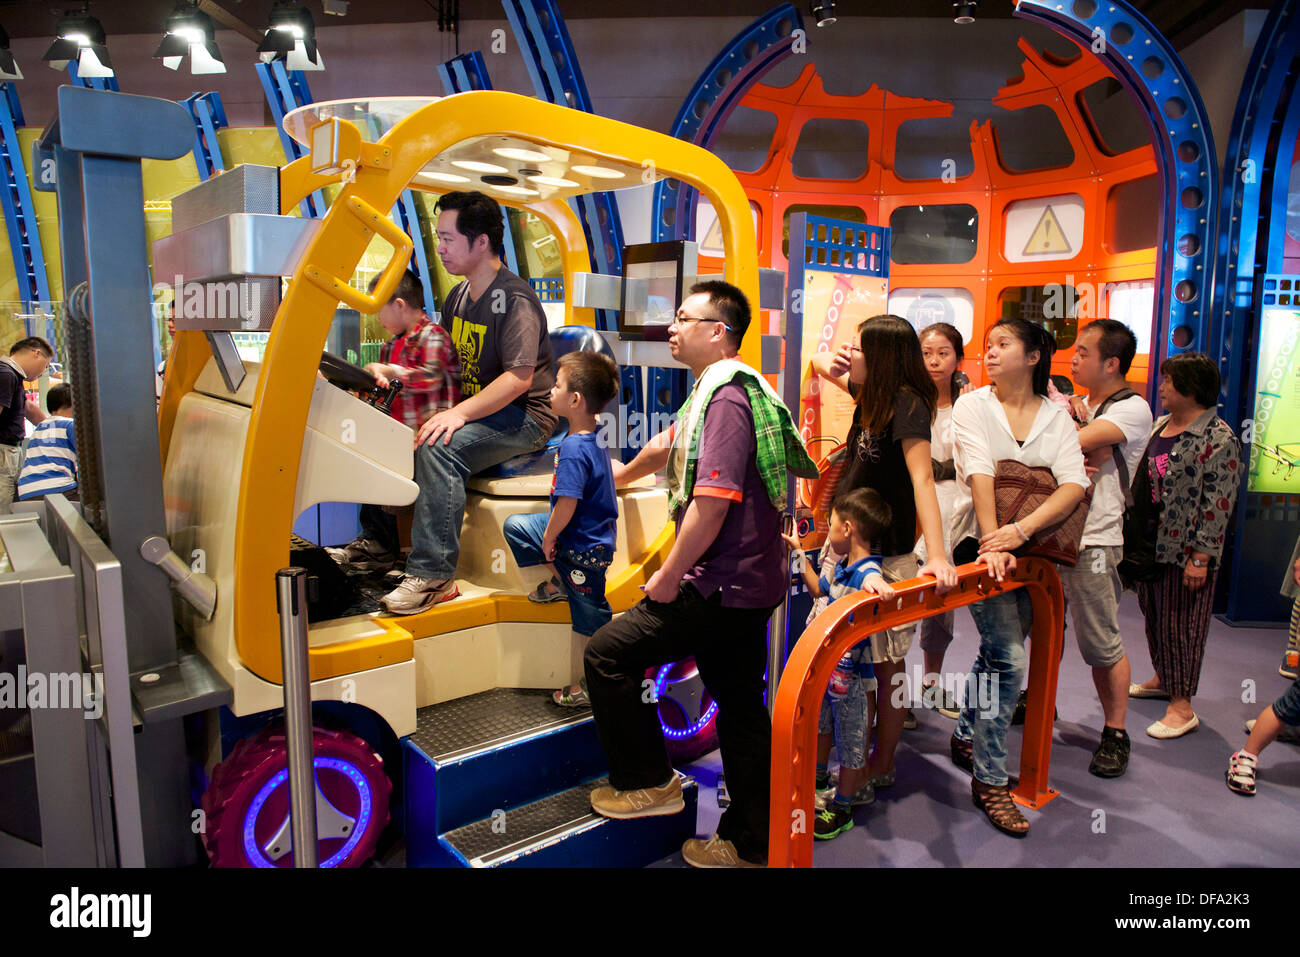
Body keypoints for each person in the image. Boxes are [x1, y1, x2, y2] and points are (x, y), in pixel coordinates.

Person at [582, 280, 818, 868]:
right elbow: (670, 443)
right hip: (747, 584)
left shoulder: (728, 399)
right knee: (739, 705)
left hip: (720, 584)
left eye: (684, 319)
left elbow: (712, 502)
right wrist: (619, 476)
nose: (671, 327)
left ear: (718, 333)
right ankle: (749, 842)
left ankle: (650, 782)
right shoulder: (712, 393)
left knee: (609, 653)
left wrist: (668, 575)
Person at [378, 192, 556, 614]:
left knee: (440, 447)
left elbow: (518, 379)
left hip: (524, 416)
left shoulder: (514, 300)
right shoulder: (458, 297)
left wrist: (456, 413)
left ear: (480, 243)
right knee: (388, 431)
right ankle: (382, 548)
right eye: (438, 238)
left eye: (447, 238)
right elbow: (450, 363)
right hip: (482, 408)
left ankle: (435, 576)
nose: (439, 248)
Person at [949, 317, 1088, 836]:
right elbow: (979, 471)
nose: (989, 352)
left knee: (997, 652)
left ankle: (966, 732)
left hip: (1033, 549)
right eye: (987, 346)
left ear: (1033, 356)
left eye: (1002, 344)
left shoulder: (1057, 417)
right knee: (1008, 656)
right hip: (979, 543)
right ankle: (989, 780)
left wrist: (1020, 531)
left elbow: (1074, 483)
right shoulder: (972, 405)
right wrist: (993, 540)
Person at [809, 316, 958, 789]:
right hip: (847, 549)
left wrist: (936, 555)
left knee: (884, 668)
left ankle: (882, 761)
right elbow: (817, 363)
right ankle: (850, 759)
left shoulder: (908, 404)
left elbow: (922, 479)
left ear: (882, 359)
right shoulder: (870, 393)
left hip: (887, 558)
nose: (851, 356)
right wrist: (830, 360)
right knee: (846, 666)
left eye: (859, 350)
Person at [1056, 319, 1152, 777]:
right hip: (1051, 534)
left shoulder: (1132, 409)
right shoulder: (1074, 402)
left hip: (1095, 540)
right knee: (1042, 630)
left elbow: (1069, 445)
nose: (1073, 358)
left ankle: (1115, 733)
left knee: (1100, 643)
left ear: (1111, 363)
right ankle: (1036, 701)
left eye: (1083, 352)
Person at [1129, 353, 1241, 739]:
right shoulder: (1162, 425)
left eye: (1168, 381)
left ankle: (1182, 706)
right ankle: (1164, 678)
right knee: (1155, 615)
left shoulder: (1219, 438)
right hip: (1148, 542)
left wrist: (1201, 557)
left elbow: (1218, 504)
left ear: (1190, 388)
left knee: (1183, 626)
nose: (1160, 386)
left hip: (1185, 552)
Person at [503, 350, 620, 708]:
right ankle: (561, 582)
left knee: (591, 619)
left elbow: (567, 502)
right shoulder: (593, 437)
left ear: (574, 399)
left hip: (584, 545)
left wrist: (550, 536)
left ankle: (592, 685)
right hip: (579, 535)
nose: (549, 391)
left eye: (556, 385)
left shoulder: (572, 447)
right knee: (517, 527)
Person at [326, 270, 461, 573]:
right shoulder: (390, 346)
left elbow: (430, 376)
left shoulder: (434, 337)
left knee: (385, 460)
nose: (377, 320)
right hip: (397, 436)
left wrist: (391, 372)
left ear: (399, 304)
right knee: (365, 453)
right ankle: (375, 541)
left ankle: (389, 547)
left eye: (379, 311)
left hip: (429, 436)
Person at [783, 487, 895, 841]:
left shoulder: (866, 572)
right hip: (827, 669)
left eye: (830, 525)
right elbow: (819, 590)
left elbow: (877, 582)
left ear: (847, 529)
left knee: (850, 739)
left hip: (851, 679)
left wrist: (880, 586)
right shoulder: (842, 566)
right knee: (822, 724)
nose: (827, 531)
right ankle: (817, 780)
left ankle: (843, 805)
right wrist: (799, 555)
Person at [914, 322, 970, 719]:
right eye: (926, 353)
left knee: (941, 599)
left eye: (943, 353)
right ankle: (887, 693)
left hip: (954, 507)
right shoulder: (907, 400)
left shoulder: (974, 403)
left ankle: (931, 684)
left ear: (957, 358)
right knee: (895, 598)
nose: (934, 361)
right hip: (910, 505)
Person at [0, 337, 53, 514]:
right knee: (3, 509)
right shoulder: (6, 374)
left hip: (9, 452)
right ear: (36, 353)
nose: (42, 372)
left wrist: (54, 430)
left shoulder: (13, 376)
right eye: (45, 366)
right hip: (3, 452)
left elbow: (27, 408)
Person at [17, 382, 77, 502]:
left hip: (26, 493)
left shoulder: (40, 427)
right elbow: (89, 457)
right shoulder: (70, 424)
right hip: (58, 489)